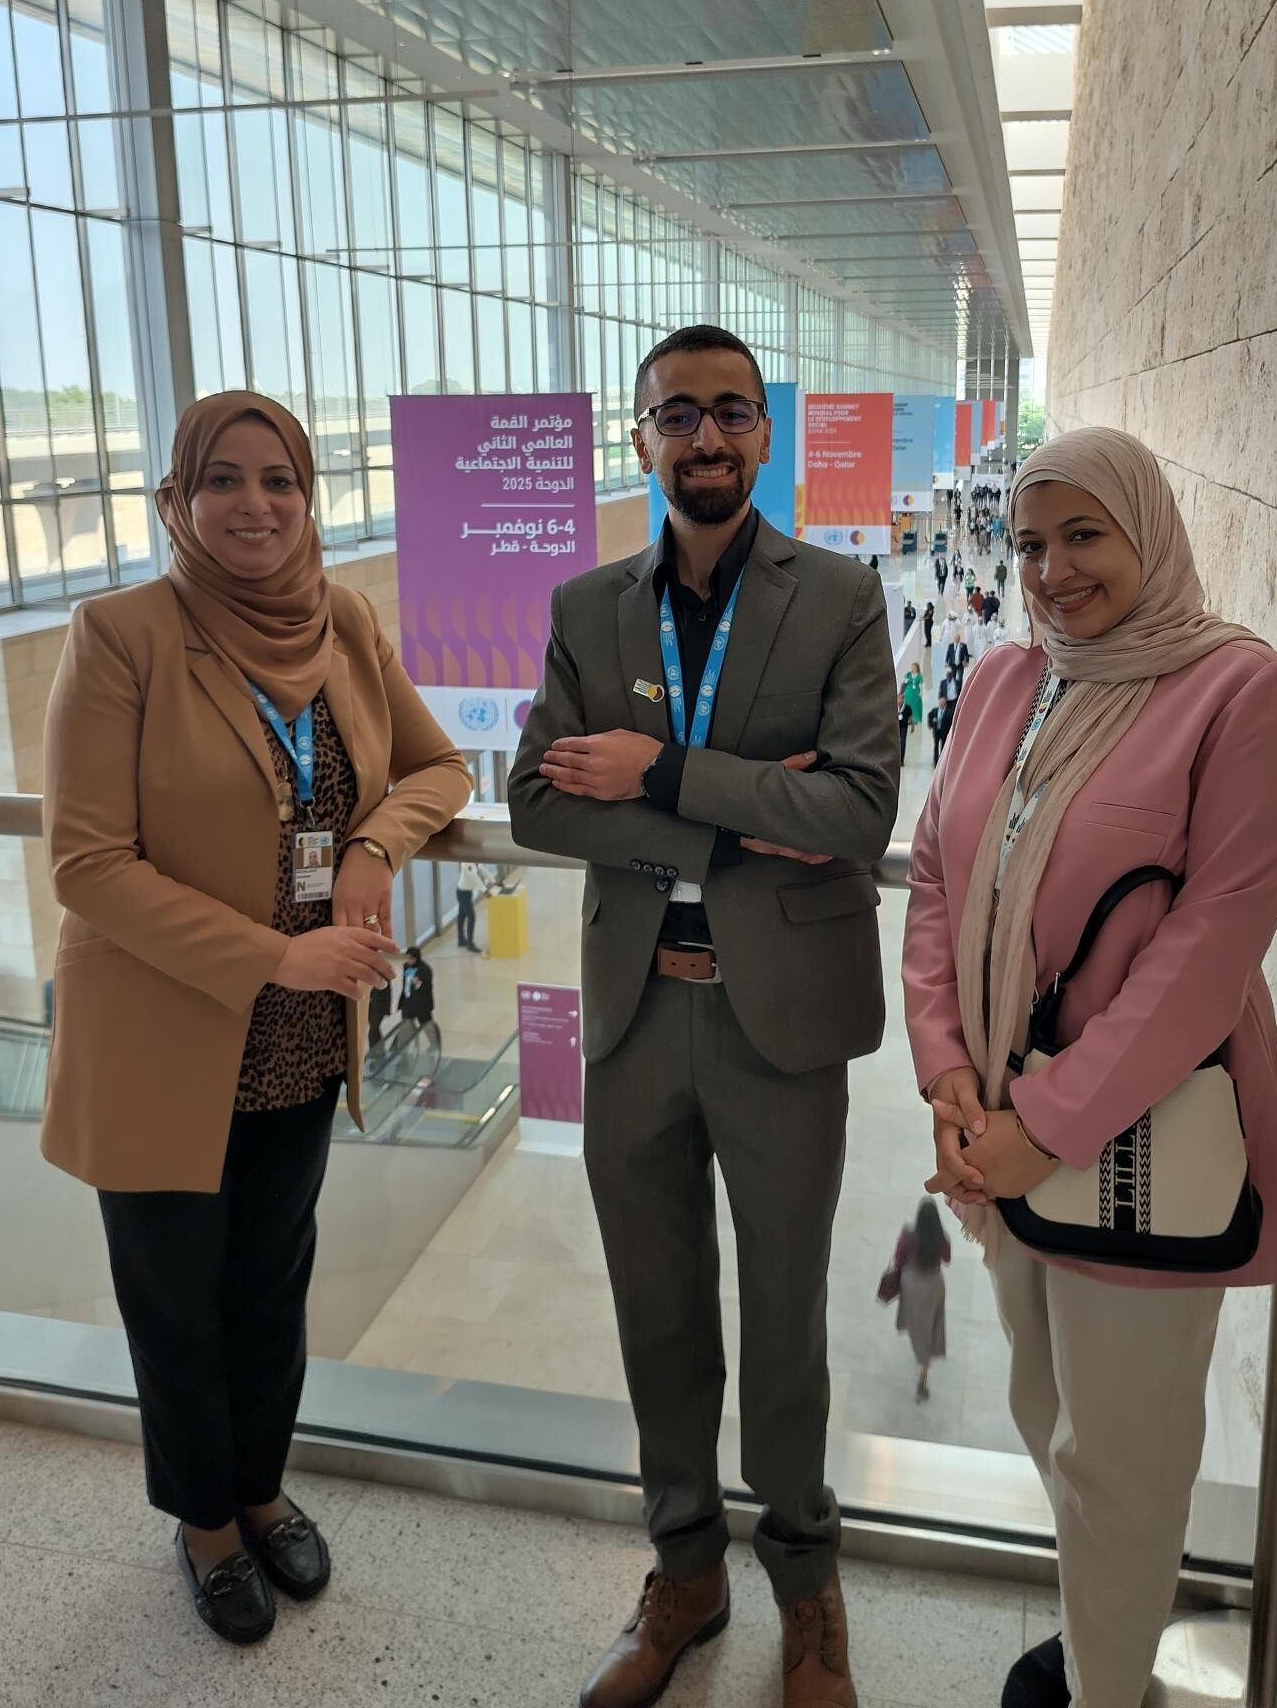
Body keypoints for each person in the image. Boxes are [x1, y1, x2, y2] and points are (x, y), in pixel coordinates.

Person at [509, 323, 900, 1708]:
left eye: (732, 412)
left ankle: (807, 1582)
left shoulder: (842, 595)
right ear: (641, 439)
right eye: (678, 414)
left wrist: (662, 770)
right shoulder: (584, 607)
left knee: (784, 1316)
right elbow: (537, 801)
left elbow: (857, 808)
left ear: (766, 434)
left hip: (778, 1024)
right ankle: (685, 1569)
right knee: (657, 1310)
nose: (708, 437)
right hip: (633, 1018)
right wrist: (737, 811)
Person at [40, 392, 472, 1647]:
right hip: (166, 1035)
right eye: (222, 479)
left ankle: (264, 1480)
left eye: (278, 478)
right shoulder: (119, 632)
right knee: (173, 1300)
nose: (254, 503)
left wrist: (378, 845)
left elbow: (438, 767)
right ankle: (207, 1522)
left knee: (270, 1284)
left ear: (308, 495)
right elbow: (86, 862)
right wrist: (277, 955)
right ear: (179, 499)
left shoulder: (342, 618)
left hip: (295, 1036)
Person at [902, 427, 1277, 1708]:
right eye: (1030, 542)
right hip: (999, 1125)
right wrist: (948, 1073)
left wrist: (1050, 1121)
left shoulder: (1240, 693)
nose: (1051, 568)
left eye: (1085, 535)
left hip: (1125, 1137)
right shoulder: (1009, 681)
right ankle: (1102, 1634)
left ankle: (1109, 1685)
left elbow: (1209, 947)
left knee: (1120, 1452)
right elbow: (934, 873)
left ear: (1150, 530)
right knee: (1043, 1406)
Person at [891, 1197, 951, 1402]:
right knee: (932, 1325)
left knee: (916, 1323)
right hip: (934, 1285)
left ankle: (921, 1355)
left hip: (912, 1284)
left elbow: (898, 1259)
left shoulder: (908, 1236)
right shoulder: (941, 1238)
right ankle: (924, 1370)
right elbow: (947, 1259)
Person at [398, 944, 435, 1030]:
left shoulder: (425, 969)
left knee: (427, 1025)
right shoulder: (406, 966)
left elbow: (428, 987)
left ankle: (434, 1042)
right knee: (407, 1024)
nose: (408, 961)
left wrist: (418, 984)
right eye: (407, 958)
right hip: (408, 1001)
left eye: (411, 958)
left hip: (421, 1003)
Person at [455, 859, 481, 951]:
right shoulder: (466, 863)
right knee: (471, 916)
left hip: (467, 892)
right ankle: (470, 943)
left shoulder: (473, 861)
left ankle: (461, 939)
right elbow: (474, 877)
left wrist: (493, 881)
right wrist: (485, 890)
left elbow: (482, 869)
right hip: (463, 893)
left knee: (462, 915)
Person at [927, 682, 954, 765]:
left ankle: (942, 762)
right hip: (936, 731)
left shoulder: (949, 712)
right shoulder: (934, 710)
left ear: (945, 703)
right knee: (936, 746)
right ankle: (935, 761)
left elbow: (950, 722)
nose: (941, 703)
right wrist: (930, 724)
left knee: (943, 746)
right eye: (940, 702)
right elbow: (929, 716)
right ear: (938, 702)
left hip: (944, 732)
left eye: (943, 702)